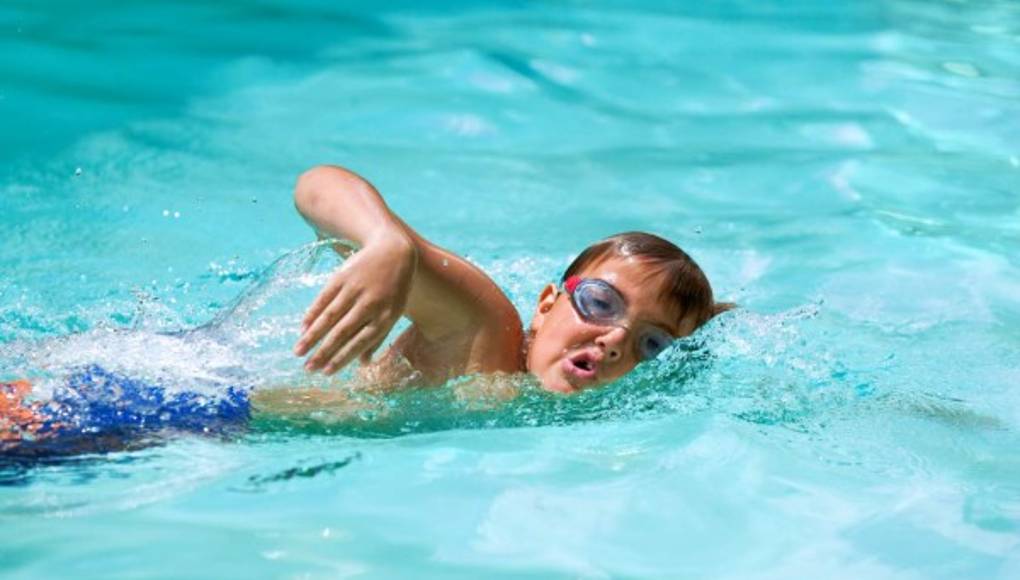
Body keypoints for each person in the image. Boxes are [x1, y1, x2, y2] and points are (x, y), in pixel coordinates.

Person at [289, 165, 730, 395]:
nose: (615, 339)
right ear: (544, 307)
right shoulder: (482, 330)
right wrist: (386, 242)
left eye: (651, 344)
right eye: (600, 303)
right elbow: (315, 186)